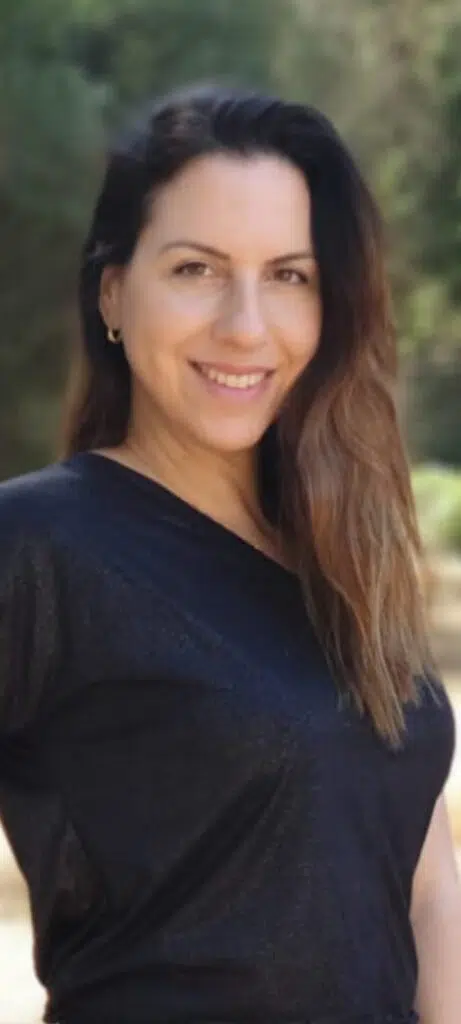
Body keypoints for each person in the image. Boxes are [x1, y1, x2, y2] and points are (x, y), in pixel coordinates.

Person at [0, 83, 460, 1024]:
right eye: (196, 269)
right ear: (113, 292)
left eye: (289, 275)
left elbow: (422, 886)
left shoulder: (346, 552)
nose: (246, 325)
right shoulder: (36, 546)